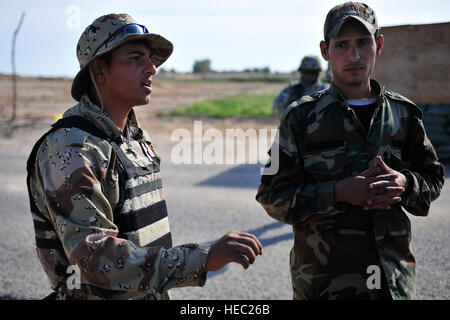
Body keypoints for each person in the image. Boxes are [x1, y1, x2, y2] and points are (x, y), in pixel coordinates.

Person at [26, 13, 262, 300]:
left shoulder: (134, 138)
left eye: (150, 59)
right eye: (136, 58)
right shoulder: (72, 149)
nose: (152, 68)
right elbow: (94, 257)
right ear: (100, 71)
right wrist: (202, 258)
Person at [256, 2, 444, 300]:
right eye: (342, 45)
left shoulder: (404, 114)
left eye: (363, 42)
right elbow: (271, 196)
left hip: (392, 283)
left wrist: (406, 183)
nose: (354, 55)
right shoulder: (300, 118)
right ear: (325, 51)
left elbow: (433, 177)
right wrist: (338, 192)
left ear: (379, 44)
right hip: (324, 285)